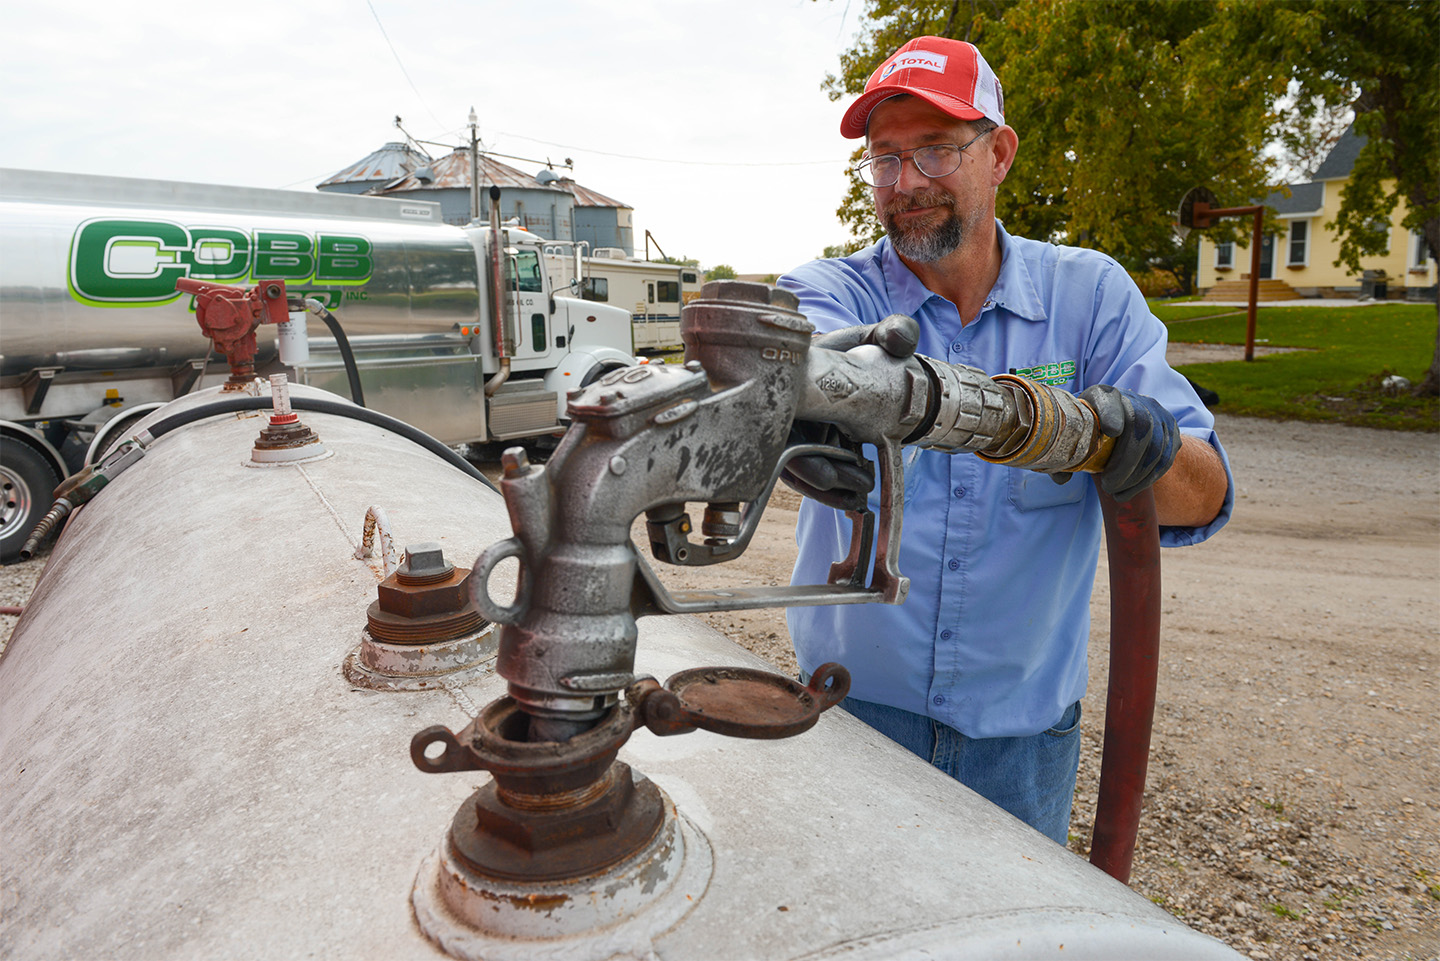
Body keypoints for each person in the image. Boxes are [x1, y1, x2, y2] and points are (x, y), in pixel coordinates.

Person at [779, 36, 1233, 845]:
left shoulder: (1088, 298)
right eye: (885, 160)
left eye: (937, 151)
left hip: (1020, 744)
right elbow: (800, 367)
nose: (907, 183)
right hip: (850, 719)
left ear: (1000, 154)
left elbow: (1204, 492)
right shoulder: (831, 291)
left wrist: (1130, 442)